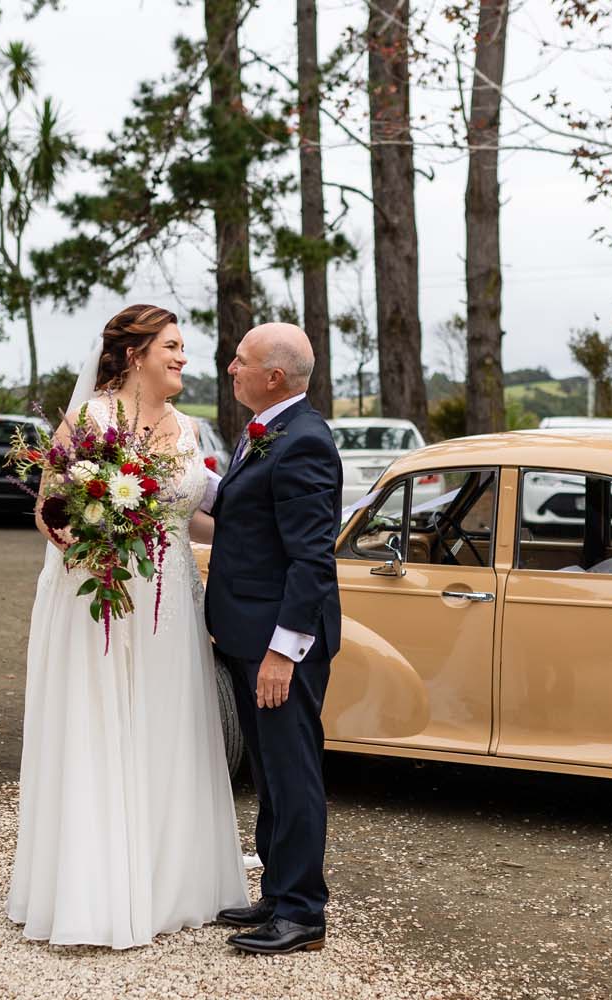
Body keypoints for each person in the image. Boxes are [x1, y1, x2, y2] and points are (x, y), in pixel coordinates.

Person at [7, 304, 249, 949]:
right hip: (104, 595)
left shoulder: (188, 429)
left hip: (172, 602)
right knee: (103, 724)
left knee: (166, 726)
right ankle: (96, 887)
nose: (182, 358)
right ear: (135, 352)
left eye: (181, 347)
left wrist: (251, 546)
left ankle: (170, 883)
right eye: (171, 346)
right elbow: (49, 510)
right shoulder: (91, 419)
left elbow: (188, 516)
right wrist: (91, 543)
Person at [201, 323, 341, 955]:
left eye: (241, 361)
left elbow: (312, 561)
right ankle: (278, 891)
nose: (231, 368)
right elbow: (244, 516)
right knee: (268, 772)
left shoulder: (305, 442)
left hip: (278, 647)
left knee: (293, 772)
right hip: (246, 635)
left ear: (275, 377)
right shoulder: (263, 430)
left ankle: (303, 913)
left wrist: (283, 652)